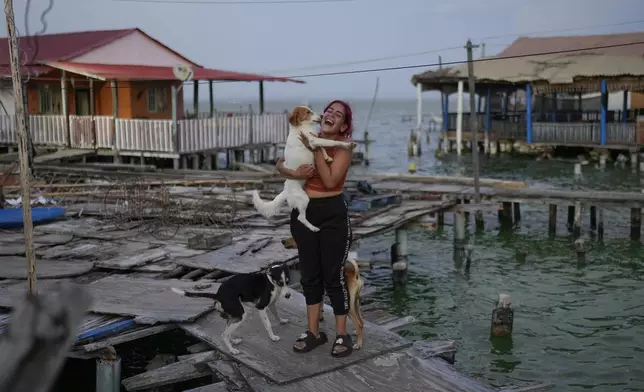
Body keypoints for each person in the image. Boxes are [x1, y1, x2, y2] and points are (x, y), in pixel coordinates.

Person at [275, 100, 355, 358]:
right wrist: (282, 168)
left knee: (333, 276)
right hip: (303, 213)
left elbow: (331, 180)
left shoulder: (342, 149)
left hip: (332, 215)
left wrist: (316, 148)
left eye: (338, 114)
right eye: (329, 110)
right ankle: (314, 332)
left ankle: (342, 334)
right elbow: (289, 168)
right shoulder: (308, 137)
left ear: (344, 125)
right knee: (310, 275)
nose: (331, 115)